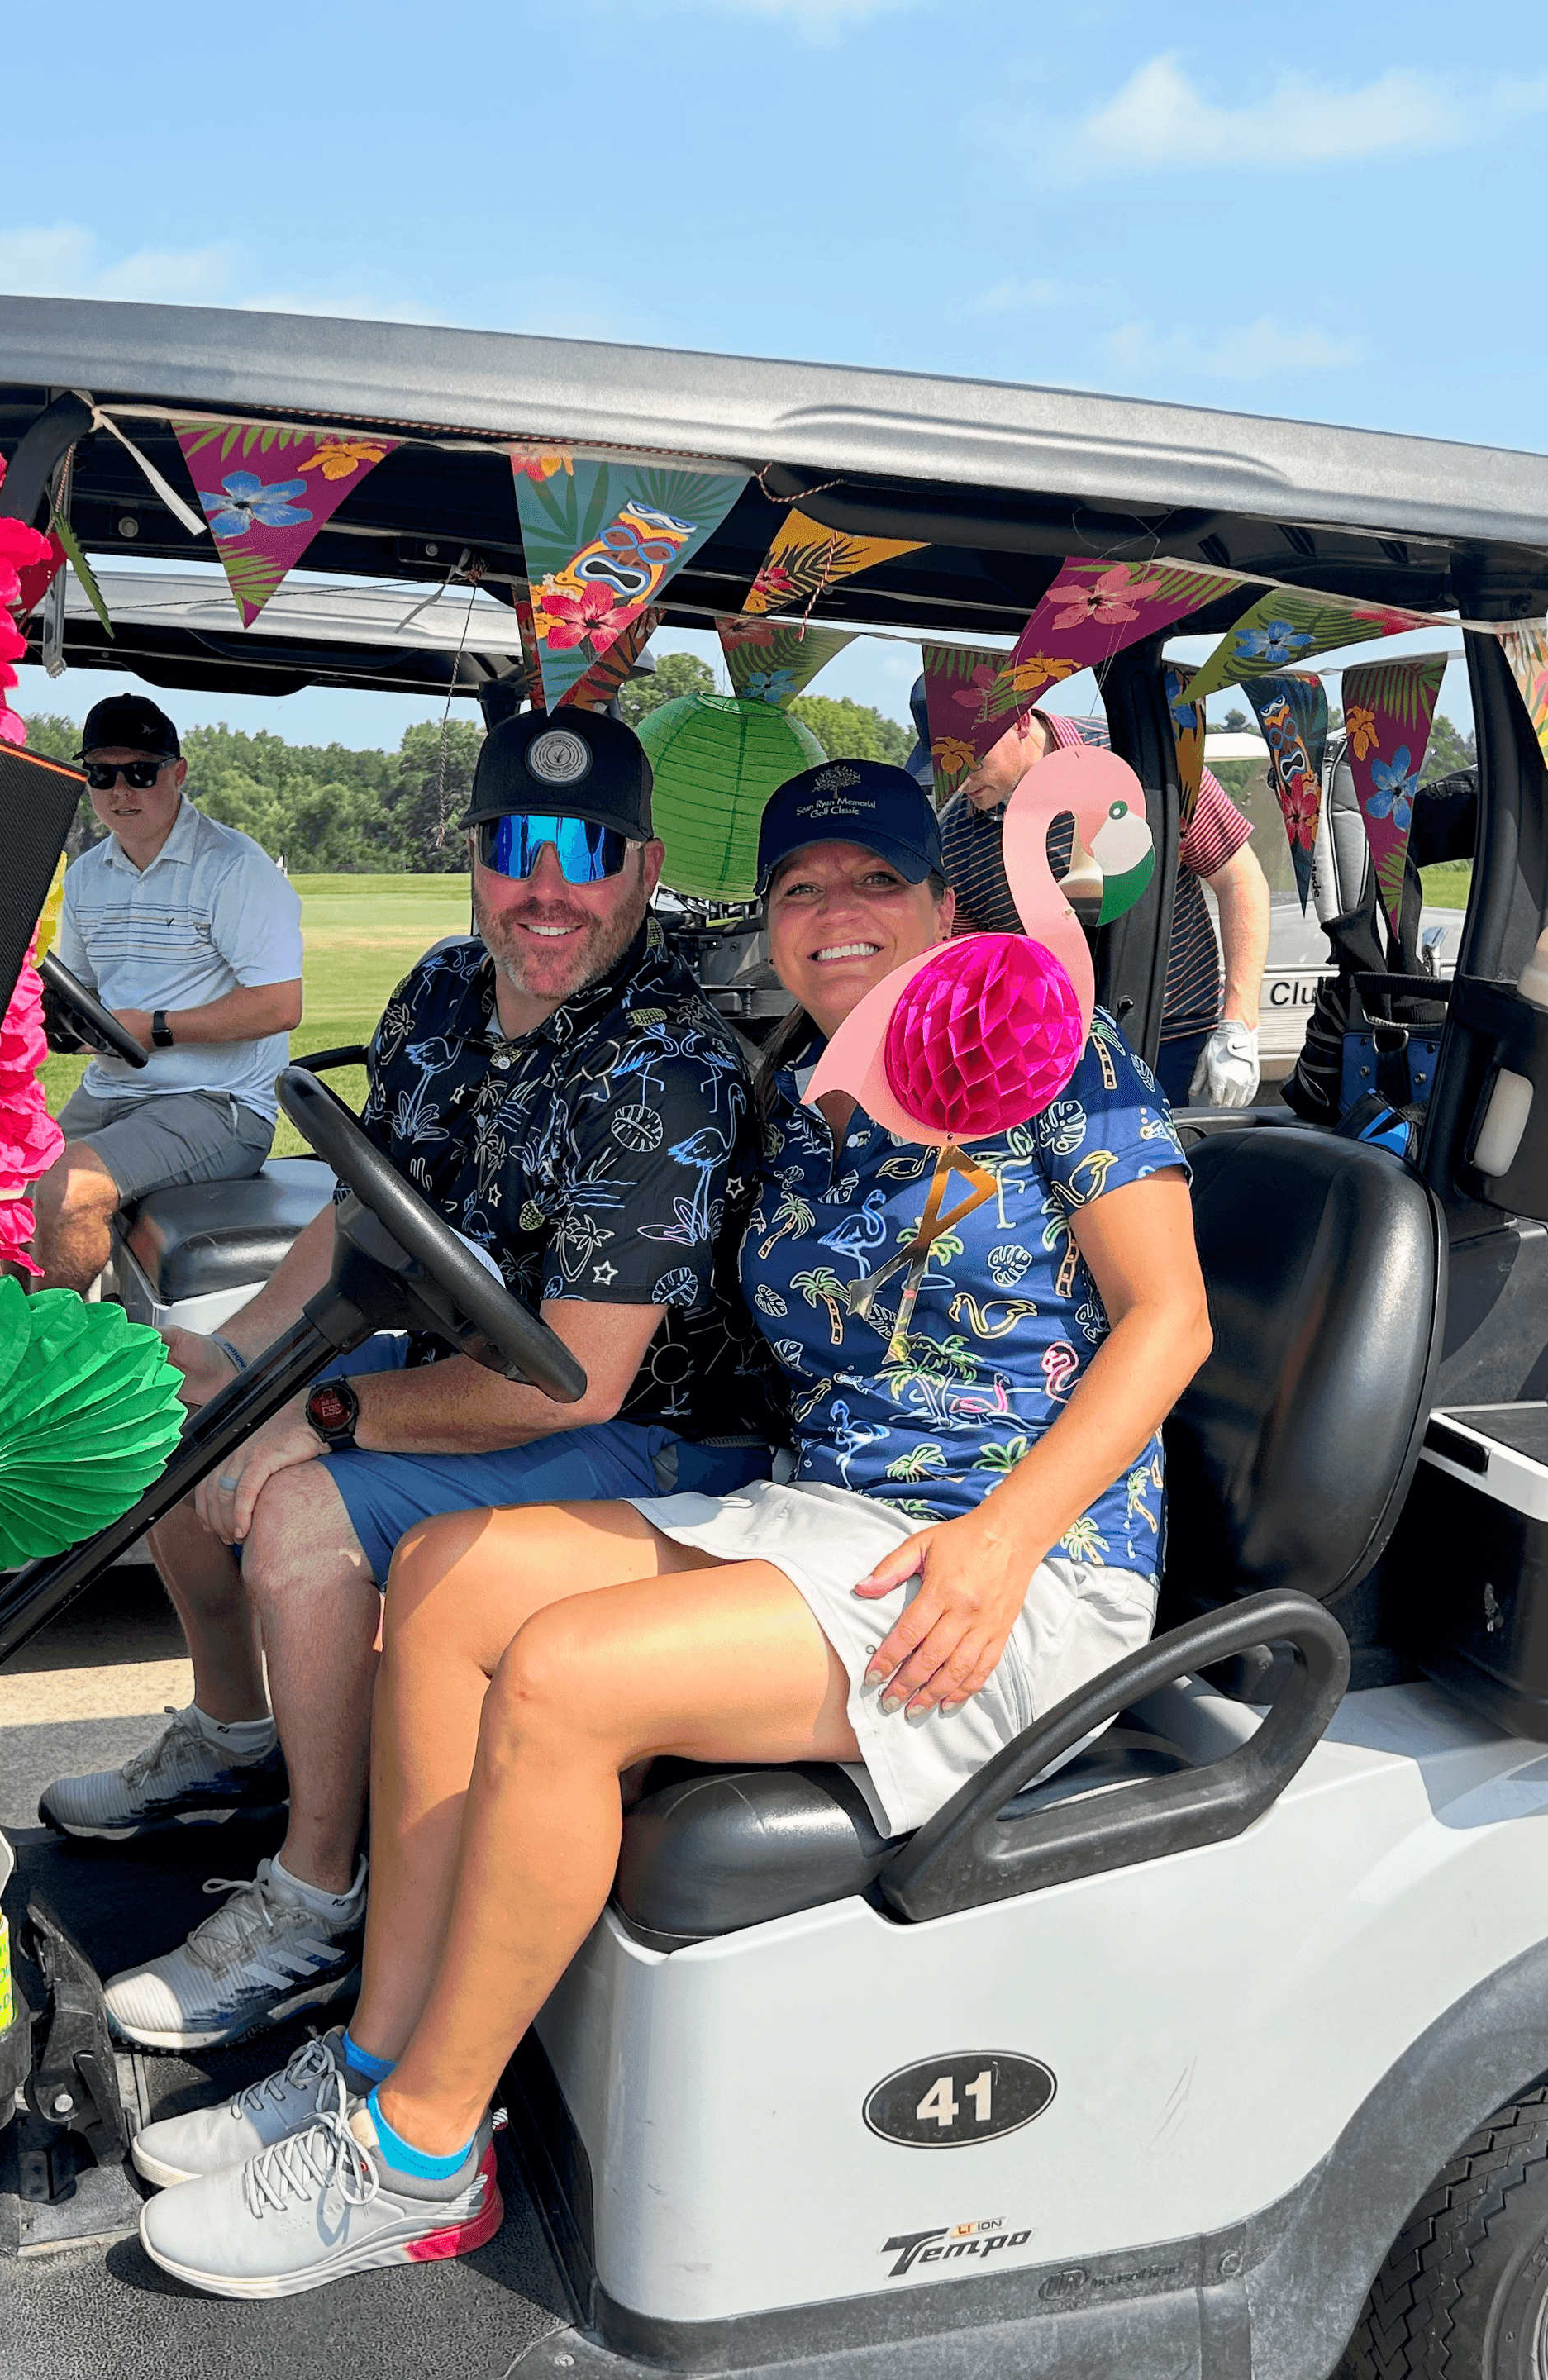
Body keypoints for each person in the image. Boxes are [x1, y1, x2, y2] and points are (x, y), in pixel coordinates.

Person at [127, 757, 1209, 2298]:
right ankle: (376, 2054)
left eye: (873, 884)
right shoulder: (814, 1098)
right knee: (441, 1575)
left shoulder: (1053, 1054)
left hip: (1013, 1563)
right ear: (766, 922)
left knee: (566, 1672)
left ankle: (425, 2161)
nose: (836, 915)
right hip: (830, 1514)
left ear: (940, 900)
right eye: (800, 891)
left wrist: (1008, 1538)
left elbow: (1168, 1322)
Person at [41, 705, 779, 2050]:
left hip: (661, 1435)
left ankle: (323, 1893)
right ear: (478, 855)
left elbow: (576, 1387)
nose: (548, 890)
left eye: (588, 852)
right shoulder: (446, 988)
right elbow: (368, 1207)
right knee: (177, 1417)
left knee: (303, 1515)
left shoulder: (662, 1060)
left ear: (644, 863)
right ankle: (234, 1739)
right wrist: (238, 1360)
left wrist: (318, 1423)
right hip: (468, 1359)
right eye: (517, 846)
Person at [31, 693, 305, 1292]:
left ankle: (44, 1371)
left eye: (140, 772)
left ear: (177, 774)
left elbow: (280, 1004)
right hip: (112, 1091)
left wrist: (152, 1029)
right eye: (102, 774)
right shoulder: (87, 876)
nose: (120, 791)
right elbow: (79, 997)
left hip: (218, 1105)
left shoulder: (233, 868)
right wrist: (58, 1027)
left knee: (72, 1191)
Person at [912, 683, 1269, 1107]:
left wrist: (1239, 1024)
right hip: (1050, 1053)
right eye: (942, 765)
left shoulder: (1143, 761)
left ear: (1021, 720)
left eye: (968, 759)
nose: (957, 779)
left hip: (1173, 1031)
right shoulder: (955, 839)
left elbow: (1238, 879)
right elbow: (973, 966)